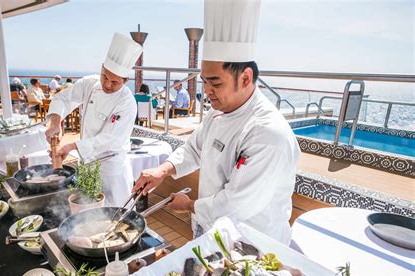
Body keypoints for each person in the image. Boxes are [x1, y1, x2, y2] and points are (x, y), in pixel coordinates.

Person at [133, 0, 300, 245]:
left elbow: (236, 204)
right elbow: (194, 148)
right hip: (210, 227)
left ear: (245, 78)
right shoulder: (218, 111)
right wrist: (162, 170)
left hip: (250, 244)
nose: (207, 91)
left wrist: (189, 205)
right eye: (204, 82)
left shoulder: (268, 133)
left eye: (215, 83)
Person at [45, 33, 142, 207]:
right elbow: (63, 99)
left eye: (115, 82)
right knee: (89, 211)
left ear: (126, 81)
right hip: (88, 163)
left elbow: (109, 139)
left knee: (116, 213)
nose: (107, 85)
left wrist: (72, 146)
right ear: (102, 68)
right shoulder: (89, 84)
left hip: (111, 168)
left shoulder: (127, 103)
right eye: (105, 77)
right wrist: (55, 123)